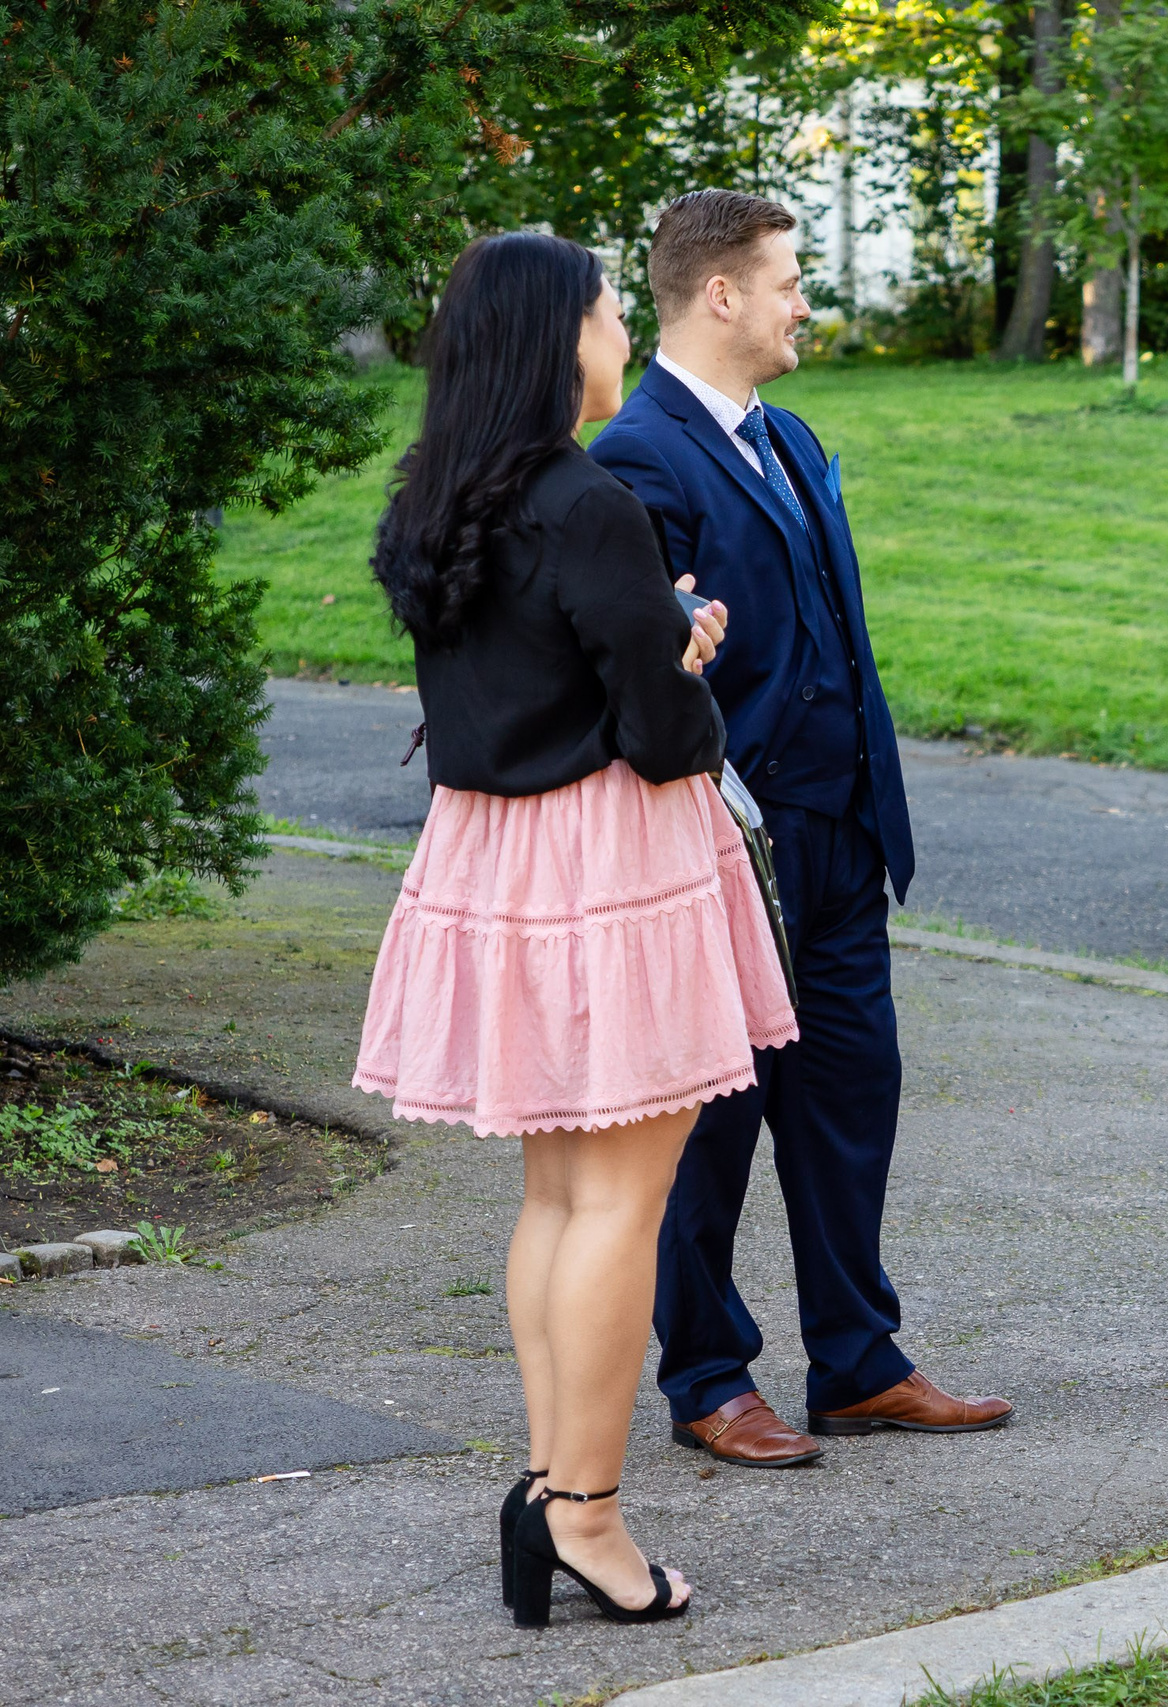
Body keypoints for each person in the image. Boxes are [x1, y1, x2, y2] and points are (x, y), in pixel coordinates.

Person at [355, 231, 793, 1625]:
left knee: (558, 1194)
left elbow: (523, 674)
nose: (618, 336)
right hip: (607, 860)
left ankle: (556, 1484)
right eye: (606, 315)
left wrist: (651, 640)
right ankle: (588, 1512)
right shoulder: (585, 498)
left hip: (497, 857)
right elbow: (662, 734)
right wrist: (685, 656)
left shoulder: (442, 499)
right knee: (620, 1199)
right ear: (559, 340)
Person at [589, 190, 1011, 1462]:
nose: (802, 302)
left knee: (847, 1106)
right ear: (720, 294)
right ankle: (708, 1378)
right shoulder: (637, 457)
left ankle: (858, 1360)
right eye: (786, 280)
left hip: (839, 841)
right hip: (726, 848)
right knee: (710, 1130)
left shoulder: (797, 435)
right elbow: (641, 679)